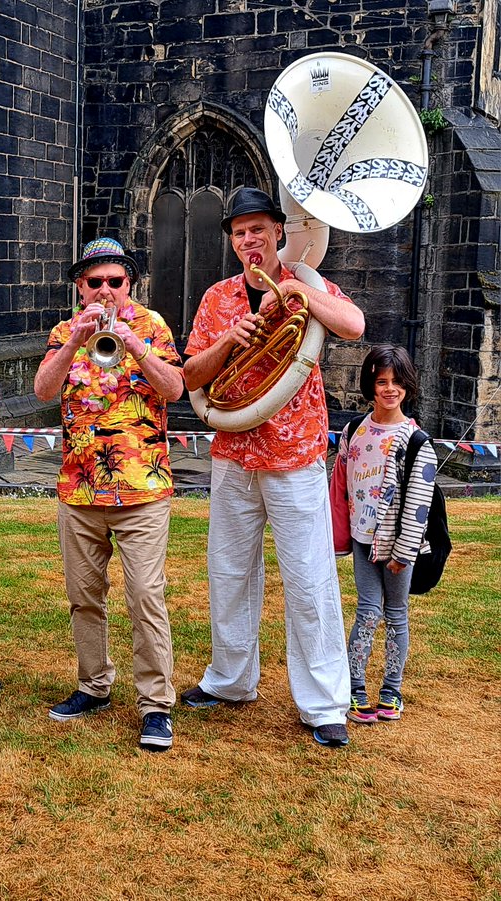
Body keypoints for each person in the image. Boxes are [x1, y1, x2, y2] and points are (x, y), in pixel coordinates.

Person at [181, 186, 365, 749]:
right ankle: (230, 681)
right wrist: (230, 343)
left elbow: (354, 324)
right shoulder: (218, 299)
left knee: (310, 580)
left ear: (279, 232)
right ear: (233, 242)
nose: (249, 240)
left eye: (258, 229)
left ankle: (324, 704)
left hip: (293, 456)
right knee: (229, 576)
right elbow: (190, 376)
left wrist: (295, 293)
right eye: (239, 233)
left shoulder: (305, 284)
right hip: (233, 455)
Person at [33, 238, 184, 752]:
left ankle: (155, 704)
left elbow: (174, 389)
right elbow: (43, 391)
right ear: (79, 286)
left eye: (114, 282)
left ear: (129, 284)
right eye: (93, 282)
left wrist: (133, 342)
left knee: (145, 595)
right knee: (84, 597)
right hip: (79, 490)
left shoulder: (153, 325)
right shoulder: (64, 331)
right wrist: (76, 341)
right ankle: (93, 686)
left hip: (142, 487)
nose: (104, 290)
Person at [330, 345, 435, 725]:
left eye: (397, 382)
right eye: (381, 382)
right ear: (370, 386)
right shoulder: (354, 430)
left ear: (408, 386)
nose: (390, 389)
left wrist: (403, 553)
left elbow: (419, 506)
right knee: (367, 612)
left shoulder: (416, 441)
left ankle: (392, 688)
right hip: (362, 539)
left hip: (397, 548)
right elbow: (339, 485)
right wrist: (338, 533)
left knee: (395, 615)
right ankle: (354, 687)